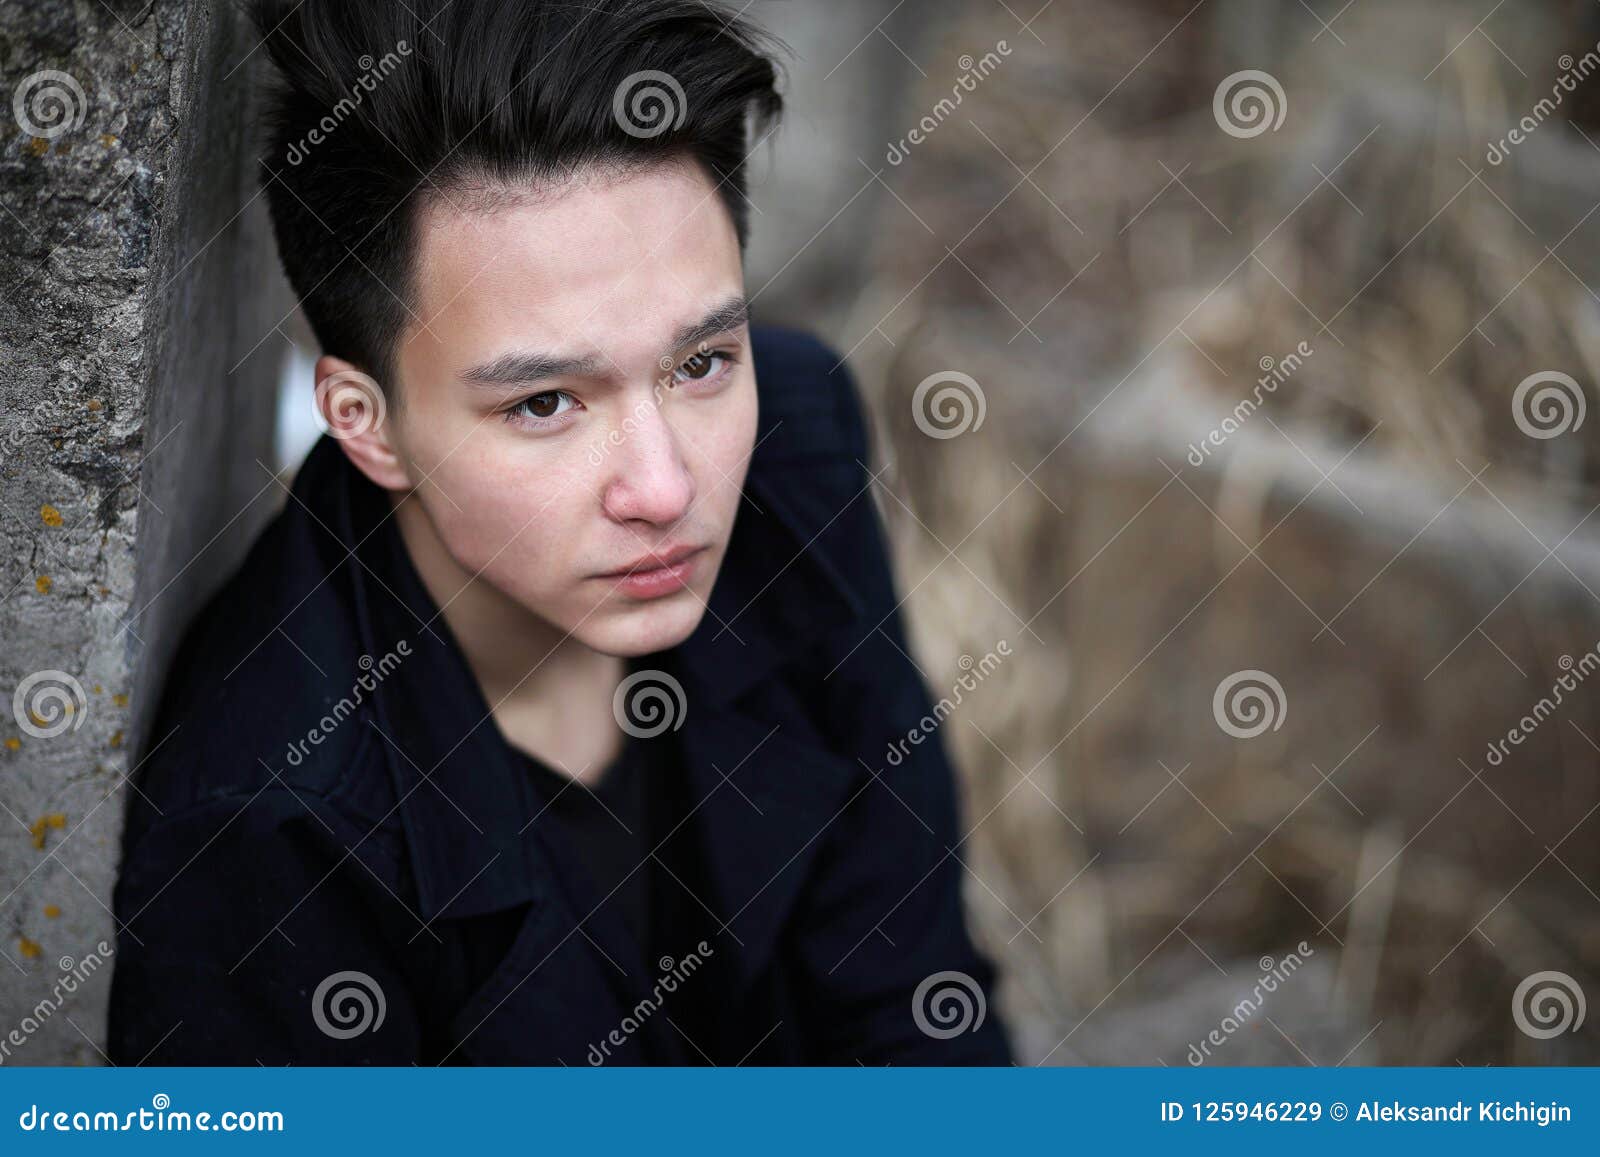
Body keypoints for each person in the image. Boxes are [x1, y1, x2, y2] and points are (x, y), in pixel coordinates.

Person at [107, 0, 1011, 1065]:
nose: (665, 486)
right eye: (543, 403)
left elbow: (914, 998)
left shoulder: (793, 447)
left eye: (700, 363)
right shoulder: (267, 830)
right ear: (368, 422)